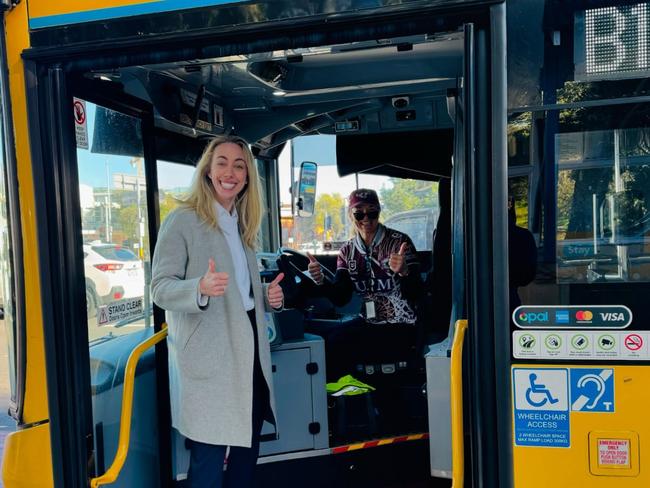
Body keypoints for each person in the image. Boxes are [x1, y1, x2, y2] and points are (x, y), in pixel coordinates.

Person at [151, 136, 284, 488]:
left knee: (246, 453)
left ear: (247, 176)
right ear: (208, 171)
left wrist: (269, 296)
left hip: (249, 354)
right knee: (208, 461)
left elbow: (241, 293)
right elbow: (160, 287)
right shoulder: (182, 220)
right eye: (222, 162)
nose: (230, 172)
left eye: (239, 165)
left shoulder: (242, 224)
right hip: (211, 357)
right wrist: (198, 287)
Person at [307, 189, 421, 377]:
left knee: (338, 344)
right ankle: (345, 400)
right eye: (359, 212)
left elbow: (417, 293)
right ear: (350, 214)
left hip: (401, 324)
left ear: (379, 212)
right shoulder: (347, 251)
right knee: (324, 342)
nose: (366, 218)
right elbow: (341, 297)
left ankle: (354, 398)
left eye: (372, 211)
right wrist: (321, 281)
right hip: (368, 321)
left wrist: (404, 271)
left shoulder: (399, 242)